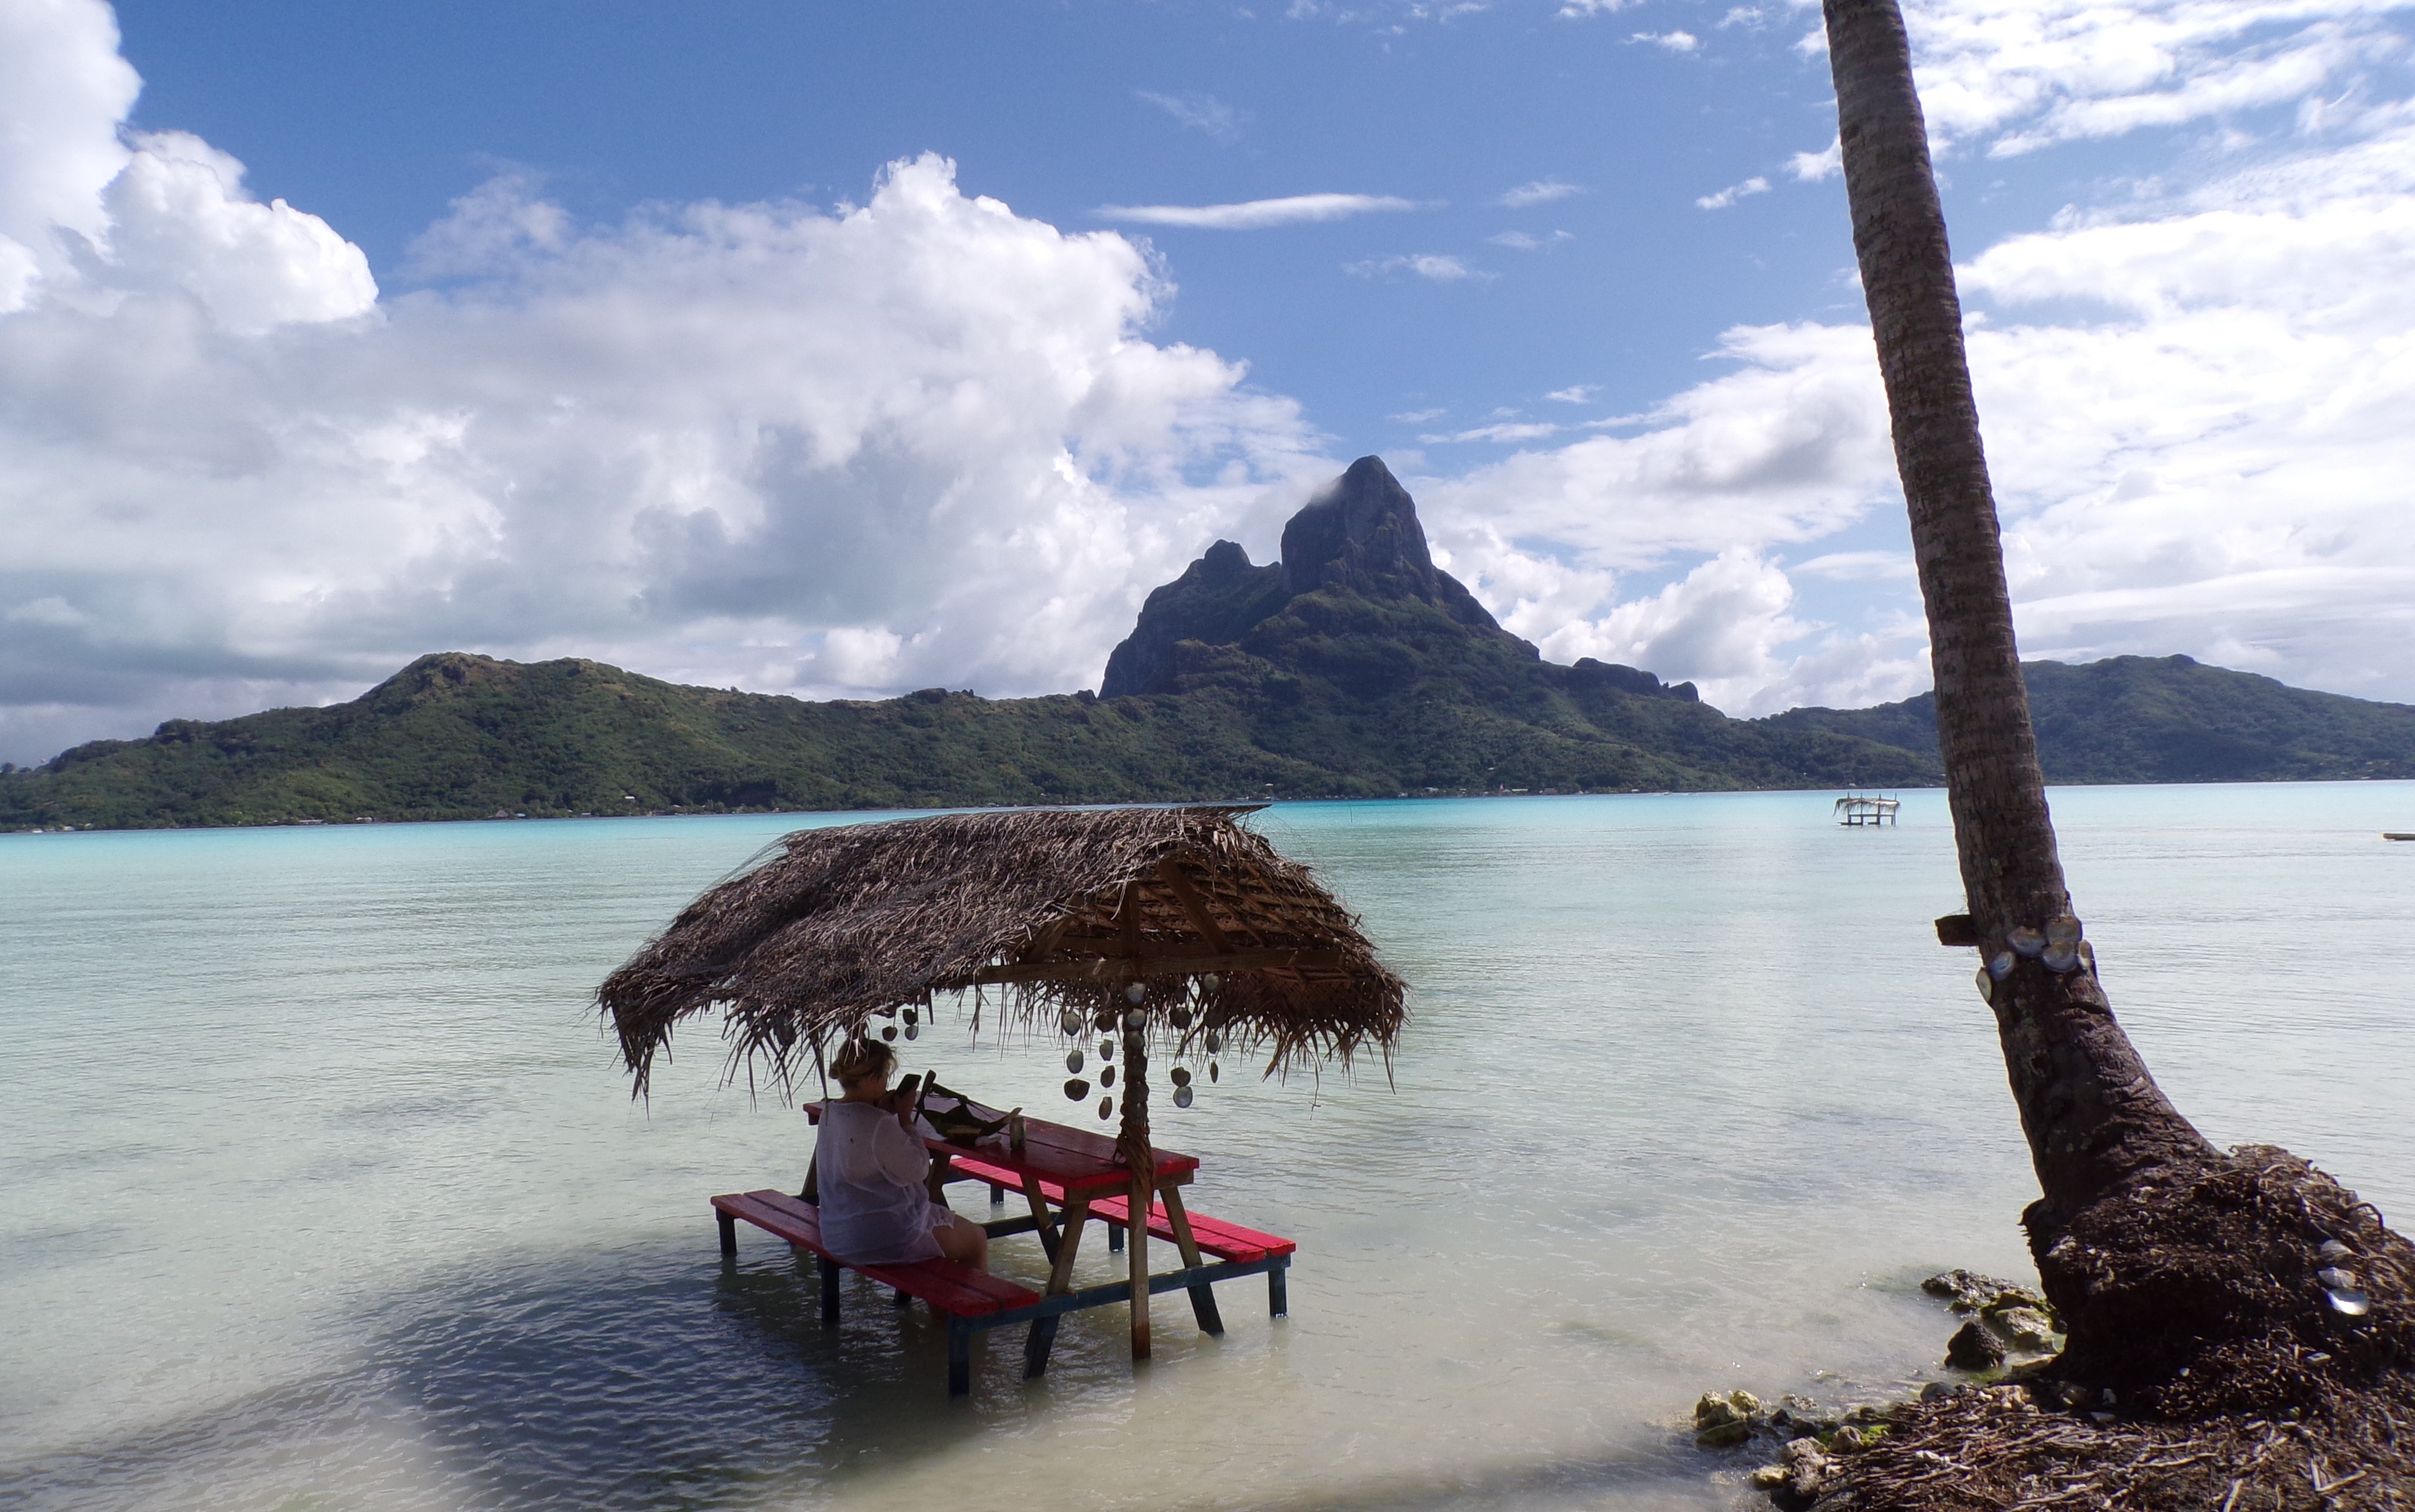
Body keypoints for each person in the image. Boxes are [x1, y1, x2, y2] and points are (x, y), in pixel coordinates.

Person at [813, 1037, 990, 1271]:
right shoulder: (879, 1124)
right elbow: (919, 1170)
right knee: (977, 1239)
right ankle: (980, 1307)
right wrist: (905, 1119)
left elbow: (862, 1144)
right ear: (870, 1079)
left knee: (938, 1259)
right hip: (886, 1239)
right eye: (885, 1076)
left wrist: (882, 1114)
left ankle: (948, 1306)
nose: (887, 1083)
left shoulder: (828, 1114)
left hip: (837, 1236)